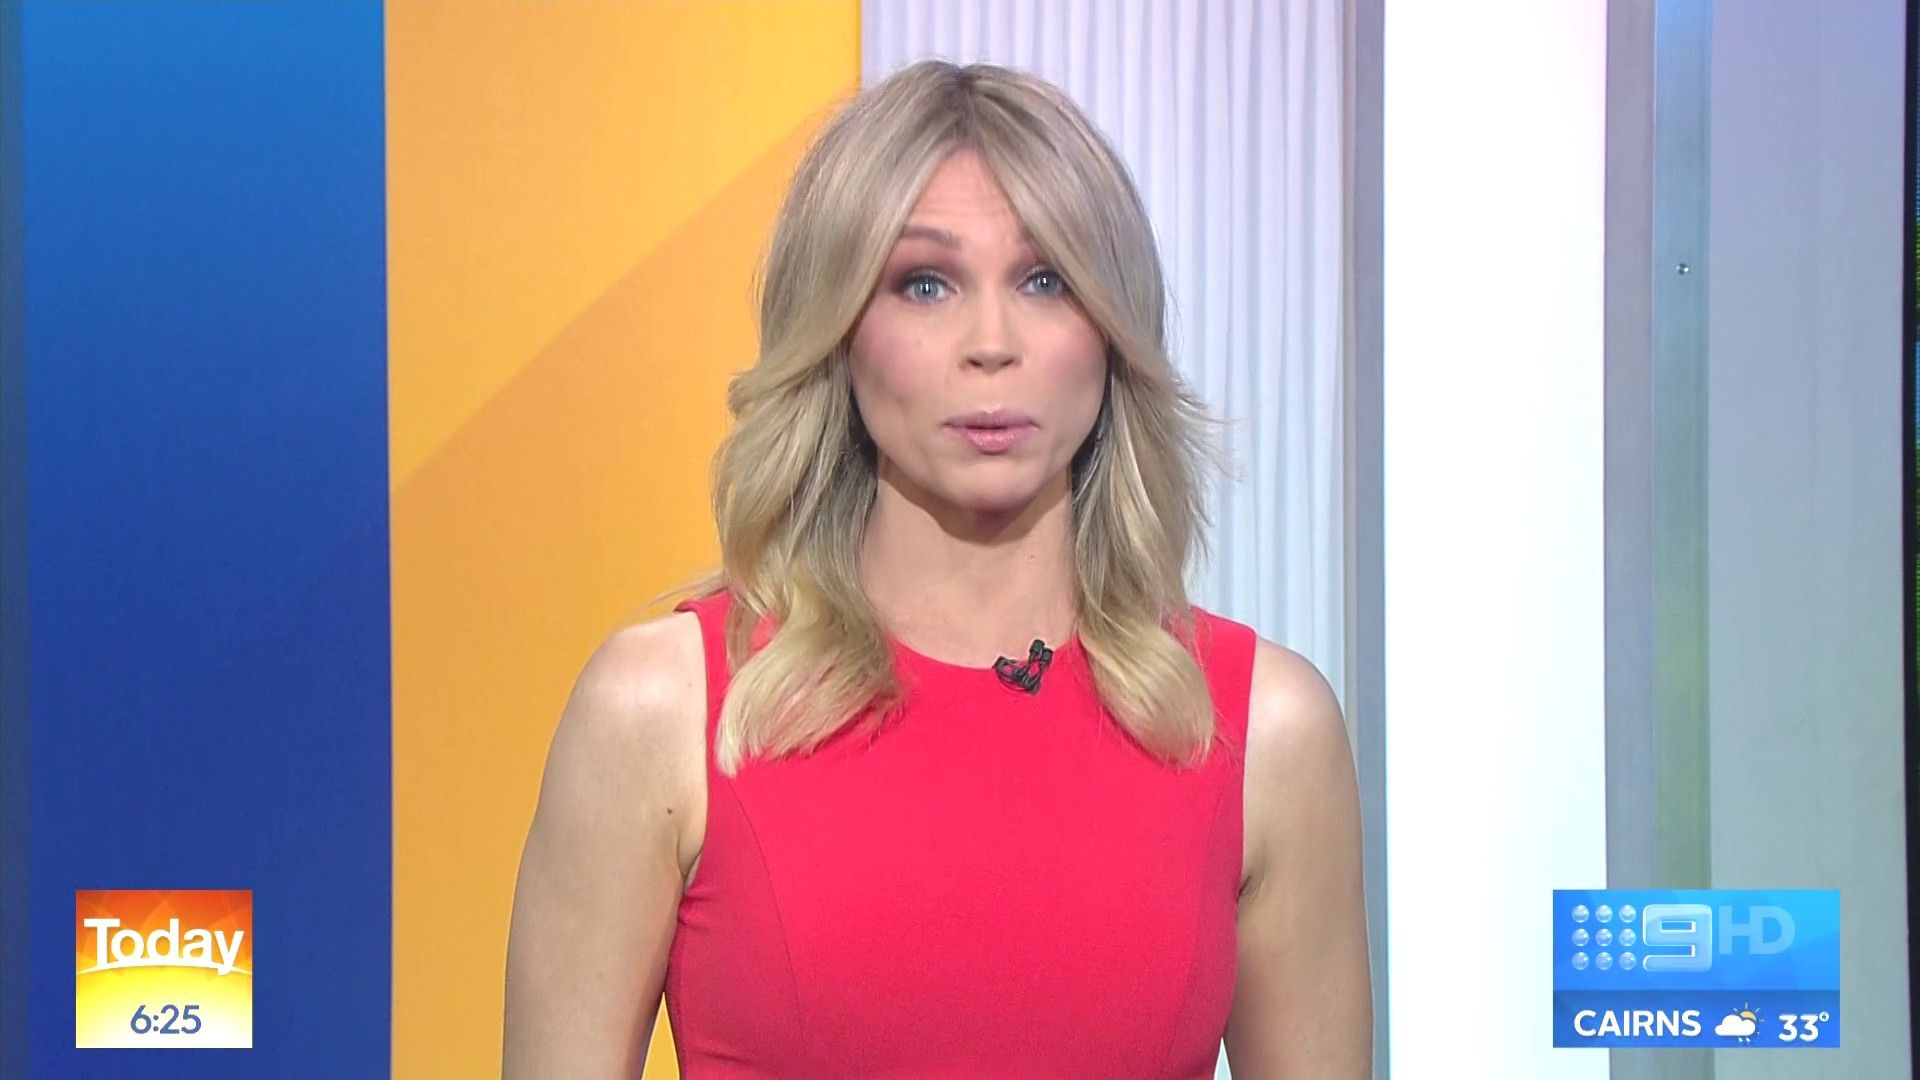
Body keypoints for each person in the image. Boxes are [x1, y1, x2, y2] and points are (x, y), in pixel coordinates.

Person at [502, 58, 1370, 1079]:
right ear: (838, 331)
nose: (991, 343)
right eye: (925, 283)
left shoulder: (1263, 731)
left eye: (1045, 280)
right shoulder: (662, 714)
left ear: (1111, 332)